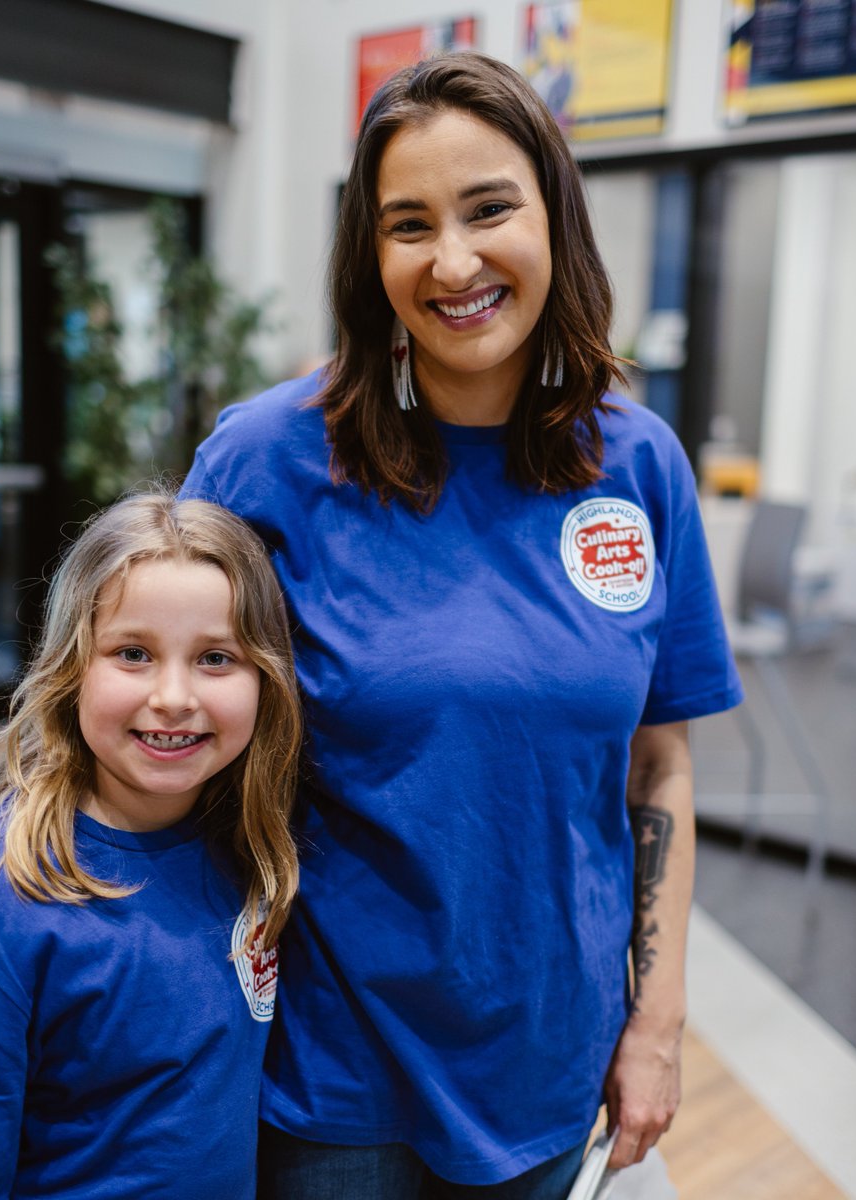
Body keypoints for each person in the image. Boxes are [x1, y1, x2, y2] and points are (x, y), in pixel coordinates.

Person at [182, 51, 742, 1200]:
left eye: (489, 209)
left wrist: (657, 1024)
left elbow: (661, 761)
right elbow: (153, 715)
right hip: (333, 1079)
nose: (452, 262)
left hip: (551, 1065)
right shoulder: (266, 459)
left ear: (555, 218)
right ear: (368, 255)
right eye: (407, 225)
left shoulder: (637, 466)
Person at [0, 493, 302, 1200]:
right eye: (132, 653)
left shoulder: (249, 848)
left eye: (216, 658)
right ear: (72, 666)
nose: (172, 696)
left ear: (267, 679)